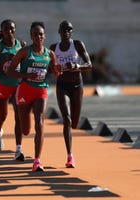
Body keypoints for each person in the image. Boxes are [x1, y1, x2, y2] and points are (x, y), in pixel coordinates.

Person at [7, 21, 60, 172]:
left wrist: (57, 71)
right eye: (35, 34)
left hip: (40, 91)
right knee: (25, 130)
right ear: (31, 36)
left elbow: (53, 71)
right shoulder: (24, 52)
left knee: (40, 124)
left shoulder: (50, 54)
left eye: (41, 34)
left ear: (44, 36)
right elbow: (10, 72)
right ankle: (25, 135)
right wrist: (27, 75)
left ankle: (37, 161)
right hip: (24, 91)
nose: (38, 37)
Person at [49, 20, 92, 168]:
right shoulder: (53, 48)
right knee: (66, 120)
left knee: (74, 123)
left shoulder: (78, 45)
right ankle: (70, 156)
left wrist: (77, 66)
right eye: (64, 29)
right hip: (62, 86)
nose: (67, 32)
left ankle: (70, 150)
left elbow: (89, 64)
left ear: (72, 32)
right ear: (59, 32)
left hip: (77, 86)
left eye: (69, 30)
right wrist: (55, 69)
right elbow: (48, 69)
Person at [0, 19, 26, 159]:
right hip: (2, 84)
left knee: (18, 117)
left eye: (12, 29)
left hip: (17, 85)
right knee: (3, 115)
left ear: (15, 30)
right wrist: (5, 62)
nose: (9, 32)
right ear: (2, 31)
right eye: (6, 29)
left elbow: (25, 64)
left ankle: (18, 149)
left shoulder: (21, 45)